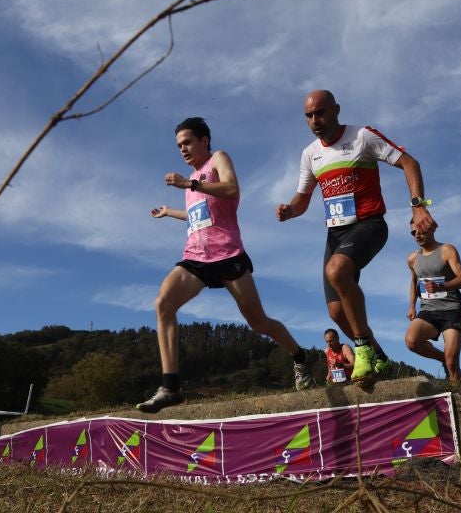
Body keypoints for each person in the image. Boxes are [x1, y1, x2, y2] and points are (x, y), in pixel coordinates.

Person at [137, 117, 317, 414]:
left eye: (187, 142)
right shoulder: (191, 183)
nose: (182, 149)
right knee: (163, 304)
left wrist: (190, 182)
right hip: (195, 257)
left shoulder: (217, 159)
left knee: (258, 322)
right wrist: (170, 211)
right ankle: (170, 387)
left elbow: (232, 190)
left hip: (228, 255)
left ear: (204, 140)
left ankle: (299, 356)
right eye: (179, 145)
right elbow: (199, 214)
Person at [276, 89, 435, 384]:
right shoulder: (310, 155)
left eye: (320, 113)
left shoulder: (362, 136)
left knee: (337, 271)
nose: (315, 120)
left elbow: (410, 163)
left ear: (336, 110)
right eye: (309, 116)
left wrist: (418, 207)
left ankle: (361, 350)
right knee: (337, 312)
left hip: (369, 225)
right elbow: (302, 200)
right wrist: (289, 210)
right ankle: (380, 357)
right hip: (336, 234)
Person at [404, 217, 461, 388]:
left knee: (451, 364)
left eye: (421, 230)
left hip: (452, 309)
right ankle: (442, 357)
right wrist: (412, 305)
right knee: (411, 341)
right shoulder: (412, 259)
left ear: (432, 228)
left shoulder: (446, 250)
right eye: (413, 232)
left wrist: (441, 286)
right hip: (428, 310)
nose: (417, 235)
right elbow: (413, 282)